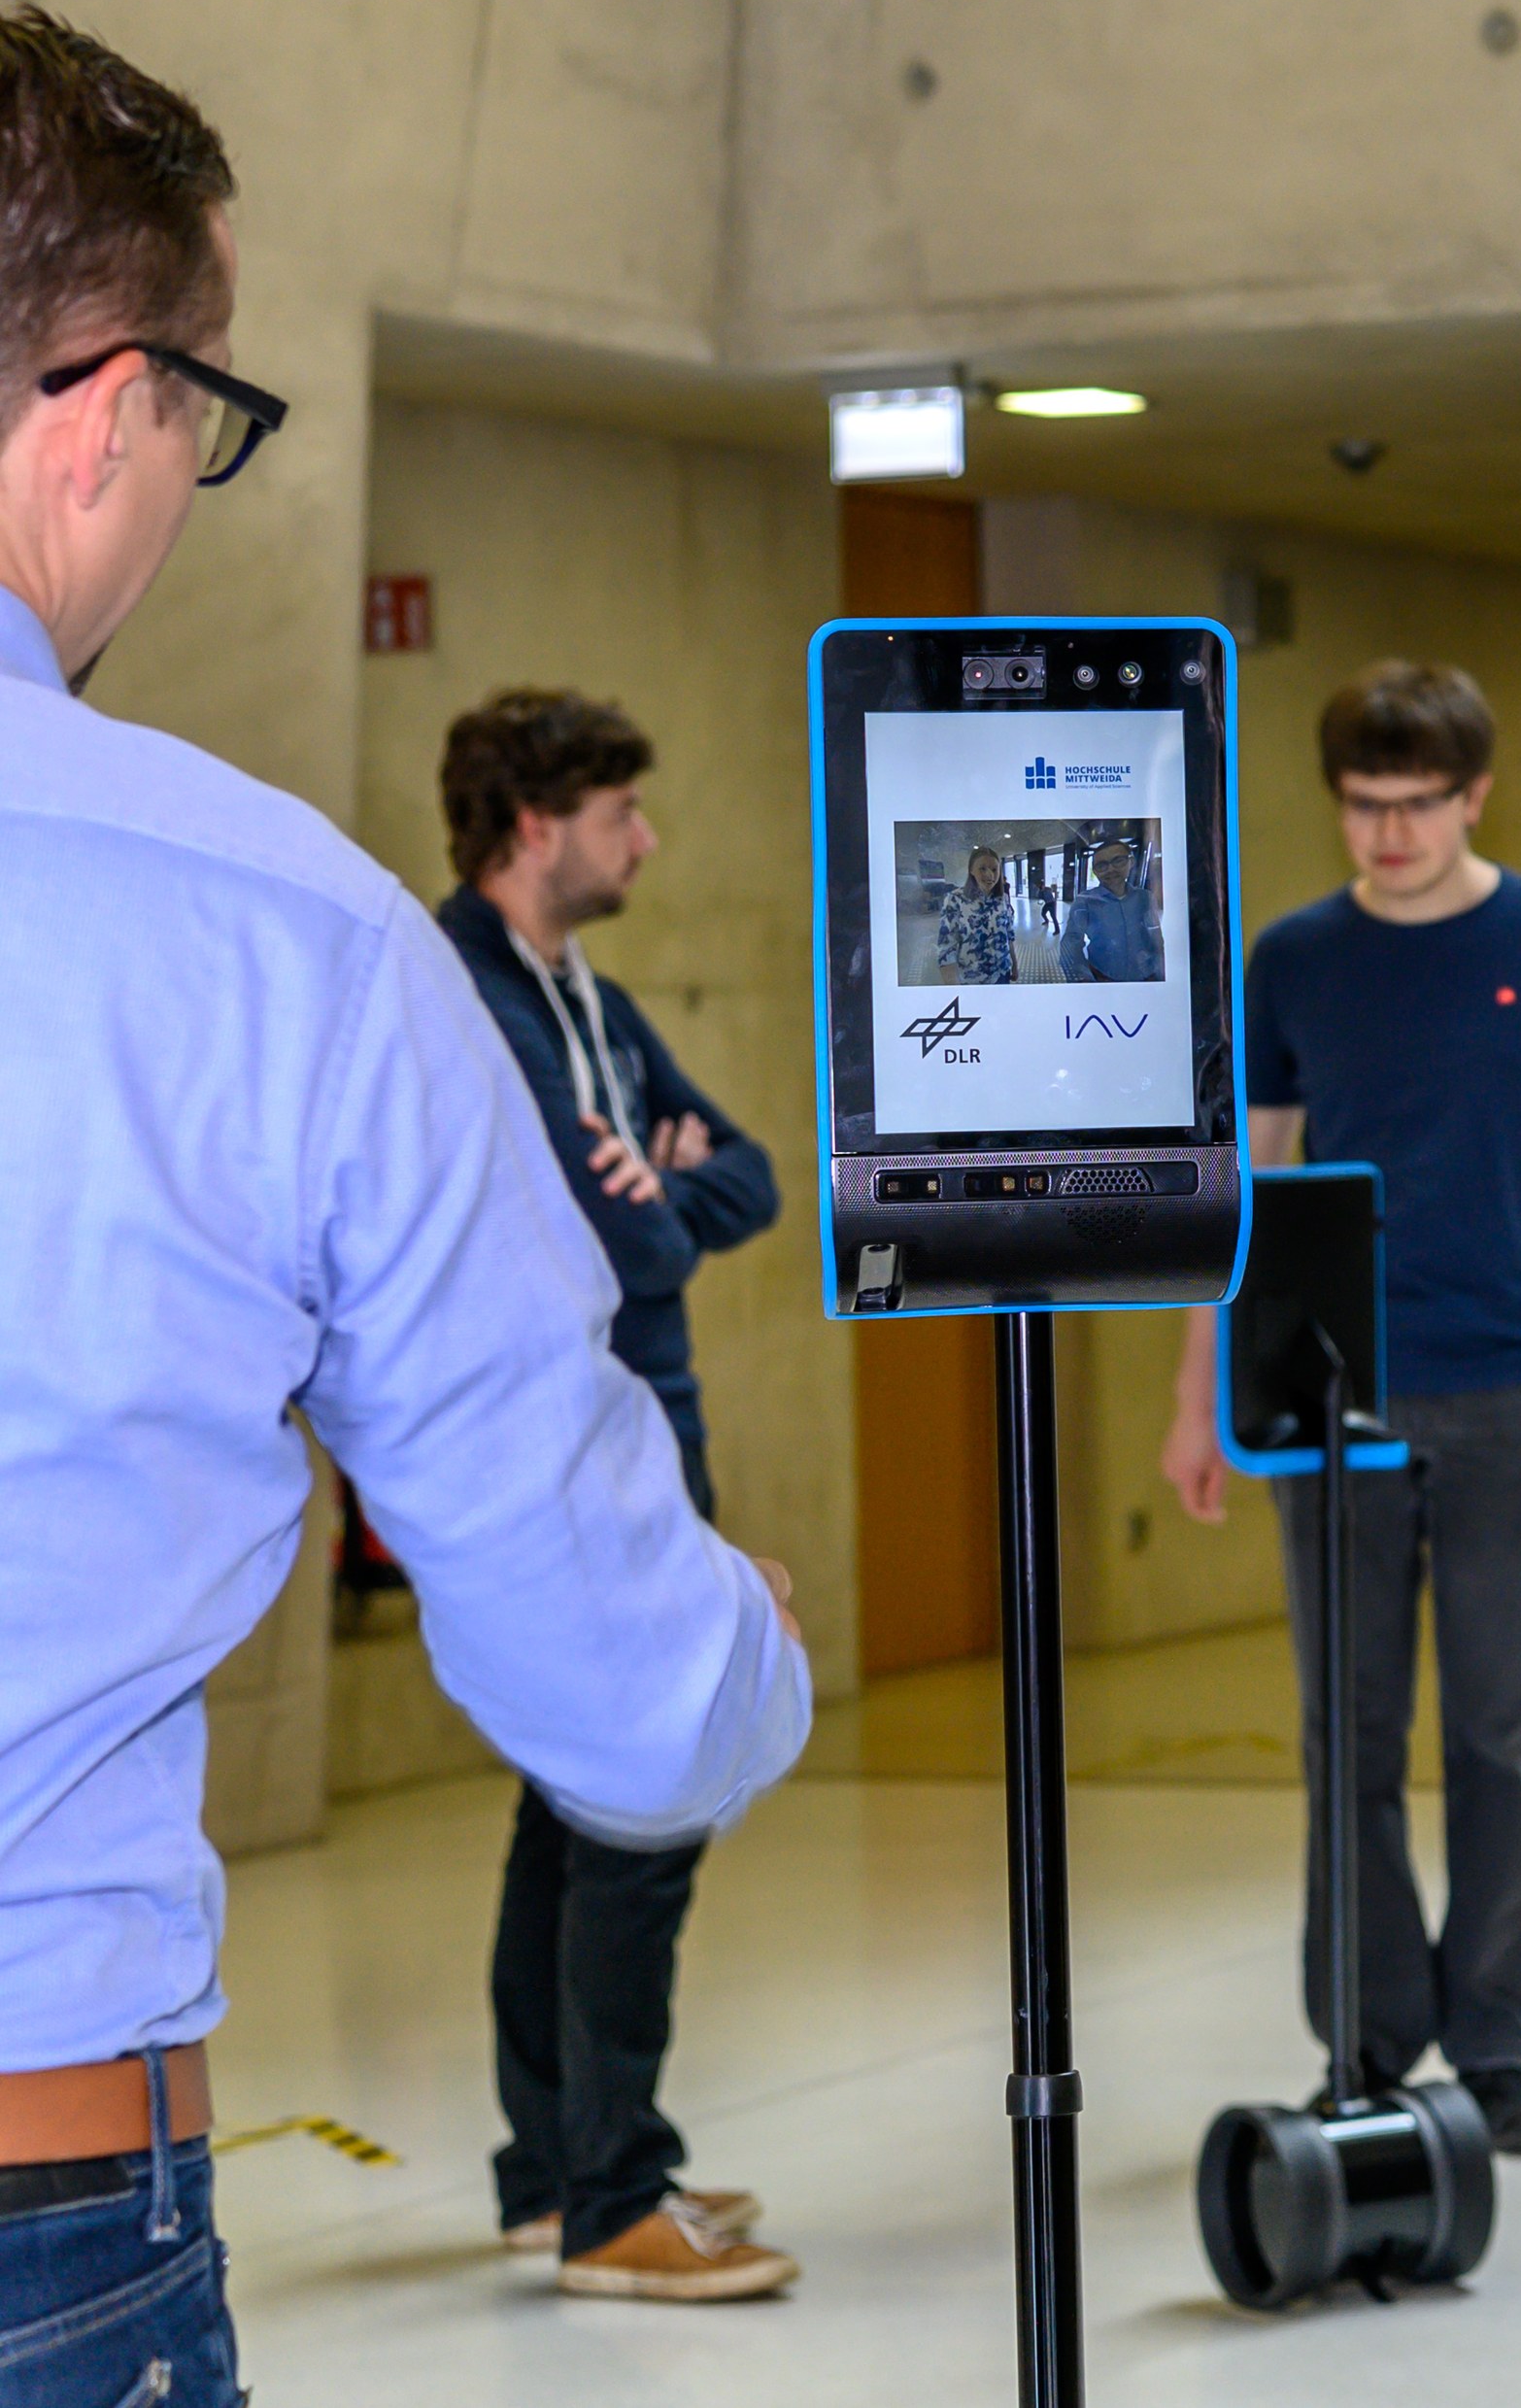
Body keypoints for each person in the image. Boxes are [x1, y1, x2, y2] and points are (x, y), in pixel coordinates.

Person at [0, 6, 807, 2406]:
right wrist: (725, 1650)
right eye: (206, 425)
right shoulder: (279, 940)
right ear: (97, 414)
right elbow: (620, 1695)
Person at [1162, 660, 1521, 2154]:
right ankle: (1370, 2036)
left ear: (1473, 795)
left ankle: (1500, 2045)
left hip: (1516, 1380)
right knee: (1349, 1727)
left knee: (1498, 1731)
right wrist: (1201, 1395)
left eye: (1416, 806)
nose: (1387, 835)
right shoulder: (1293, 957)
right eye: (1362, 806)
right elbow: (1250, 1184)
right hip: (1334, 1392)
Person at [436, 690, 796, 2299]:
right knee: (644, 1800)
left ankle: (555, 2168)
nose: (643, 840)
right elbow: (630, 1239)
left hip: (640, 1436)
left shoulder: (588, 995)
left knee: (570, 1806)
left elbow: (750, 1178)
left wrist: (669, 1181)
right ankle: (612, 2199)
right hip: (569, 1457)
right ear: (535, 827)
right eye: (619, 814)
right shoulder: (472, 1000)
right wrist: (655, 1198)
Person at [1059, 835, 1164, 983]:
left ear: (1131, 862)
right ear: (1095, 871)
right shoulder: (1085, 901)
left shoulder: (1145, 897)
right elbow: (1071, 942)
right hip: (1102, 976)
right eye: (1102, 865)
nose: (1111, 869)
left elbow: (1155, 936)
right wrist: (1082, 979)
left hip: (1146, 977)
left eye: (1118, 861)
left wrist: (1160, 971)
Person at [936, 841, 1017, 984]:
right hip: (973, 979)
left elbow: (1008, 935)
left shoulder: (1002, 899)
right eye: (983, 869)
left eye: (994, 869)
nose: (990, 874)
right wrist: (954, 988)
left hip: (1002, 973)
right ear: (971, 870)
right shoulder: (955, 899)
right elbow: (946, 948)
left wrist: (1014, 965)